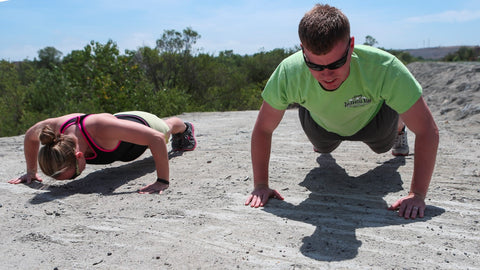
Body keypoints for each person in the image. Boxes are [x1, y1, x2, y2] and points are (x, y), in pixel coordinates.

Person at [244, 4, 439, 219]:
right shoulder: (289, 71)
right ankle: (324, 134)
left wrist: (417, 194)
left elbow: (427, 130)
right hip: (321, 125)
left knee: (382, 148)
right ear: (302, 51)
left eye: (336, 64)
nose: (327, 74)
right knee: (322, 149)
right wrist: (261, 184)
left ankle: (400, 128)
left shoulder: (385, 68)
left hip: (374, 123)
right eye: (315, 66)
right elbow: (263, 128)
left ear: (351, 45)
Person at [8, 111, 197, 194]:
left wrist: (162, 181)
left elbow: (154, 138)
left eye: (73, 175)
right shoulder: (54, 130)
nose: (71, 179)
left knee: (166, 129)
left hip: (143, 123)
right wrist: (31, 171)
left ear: (78, 156)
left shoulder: (98, 129)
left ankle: (184, 127)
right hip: (118, 125)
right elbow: (30, 135)